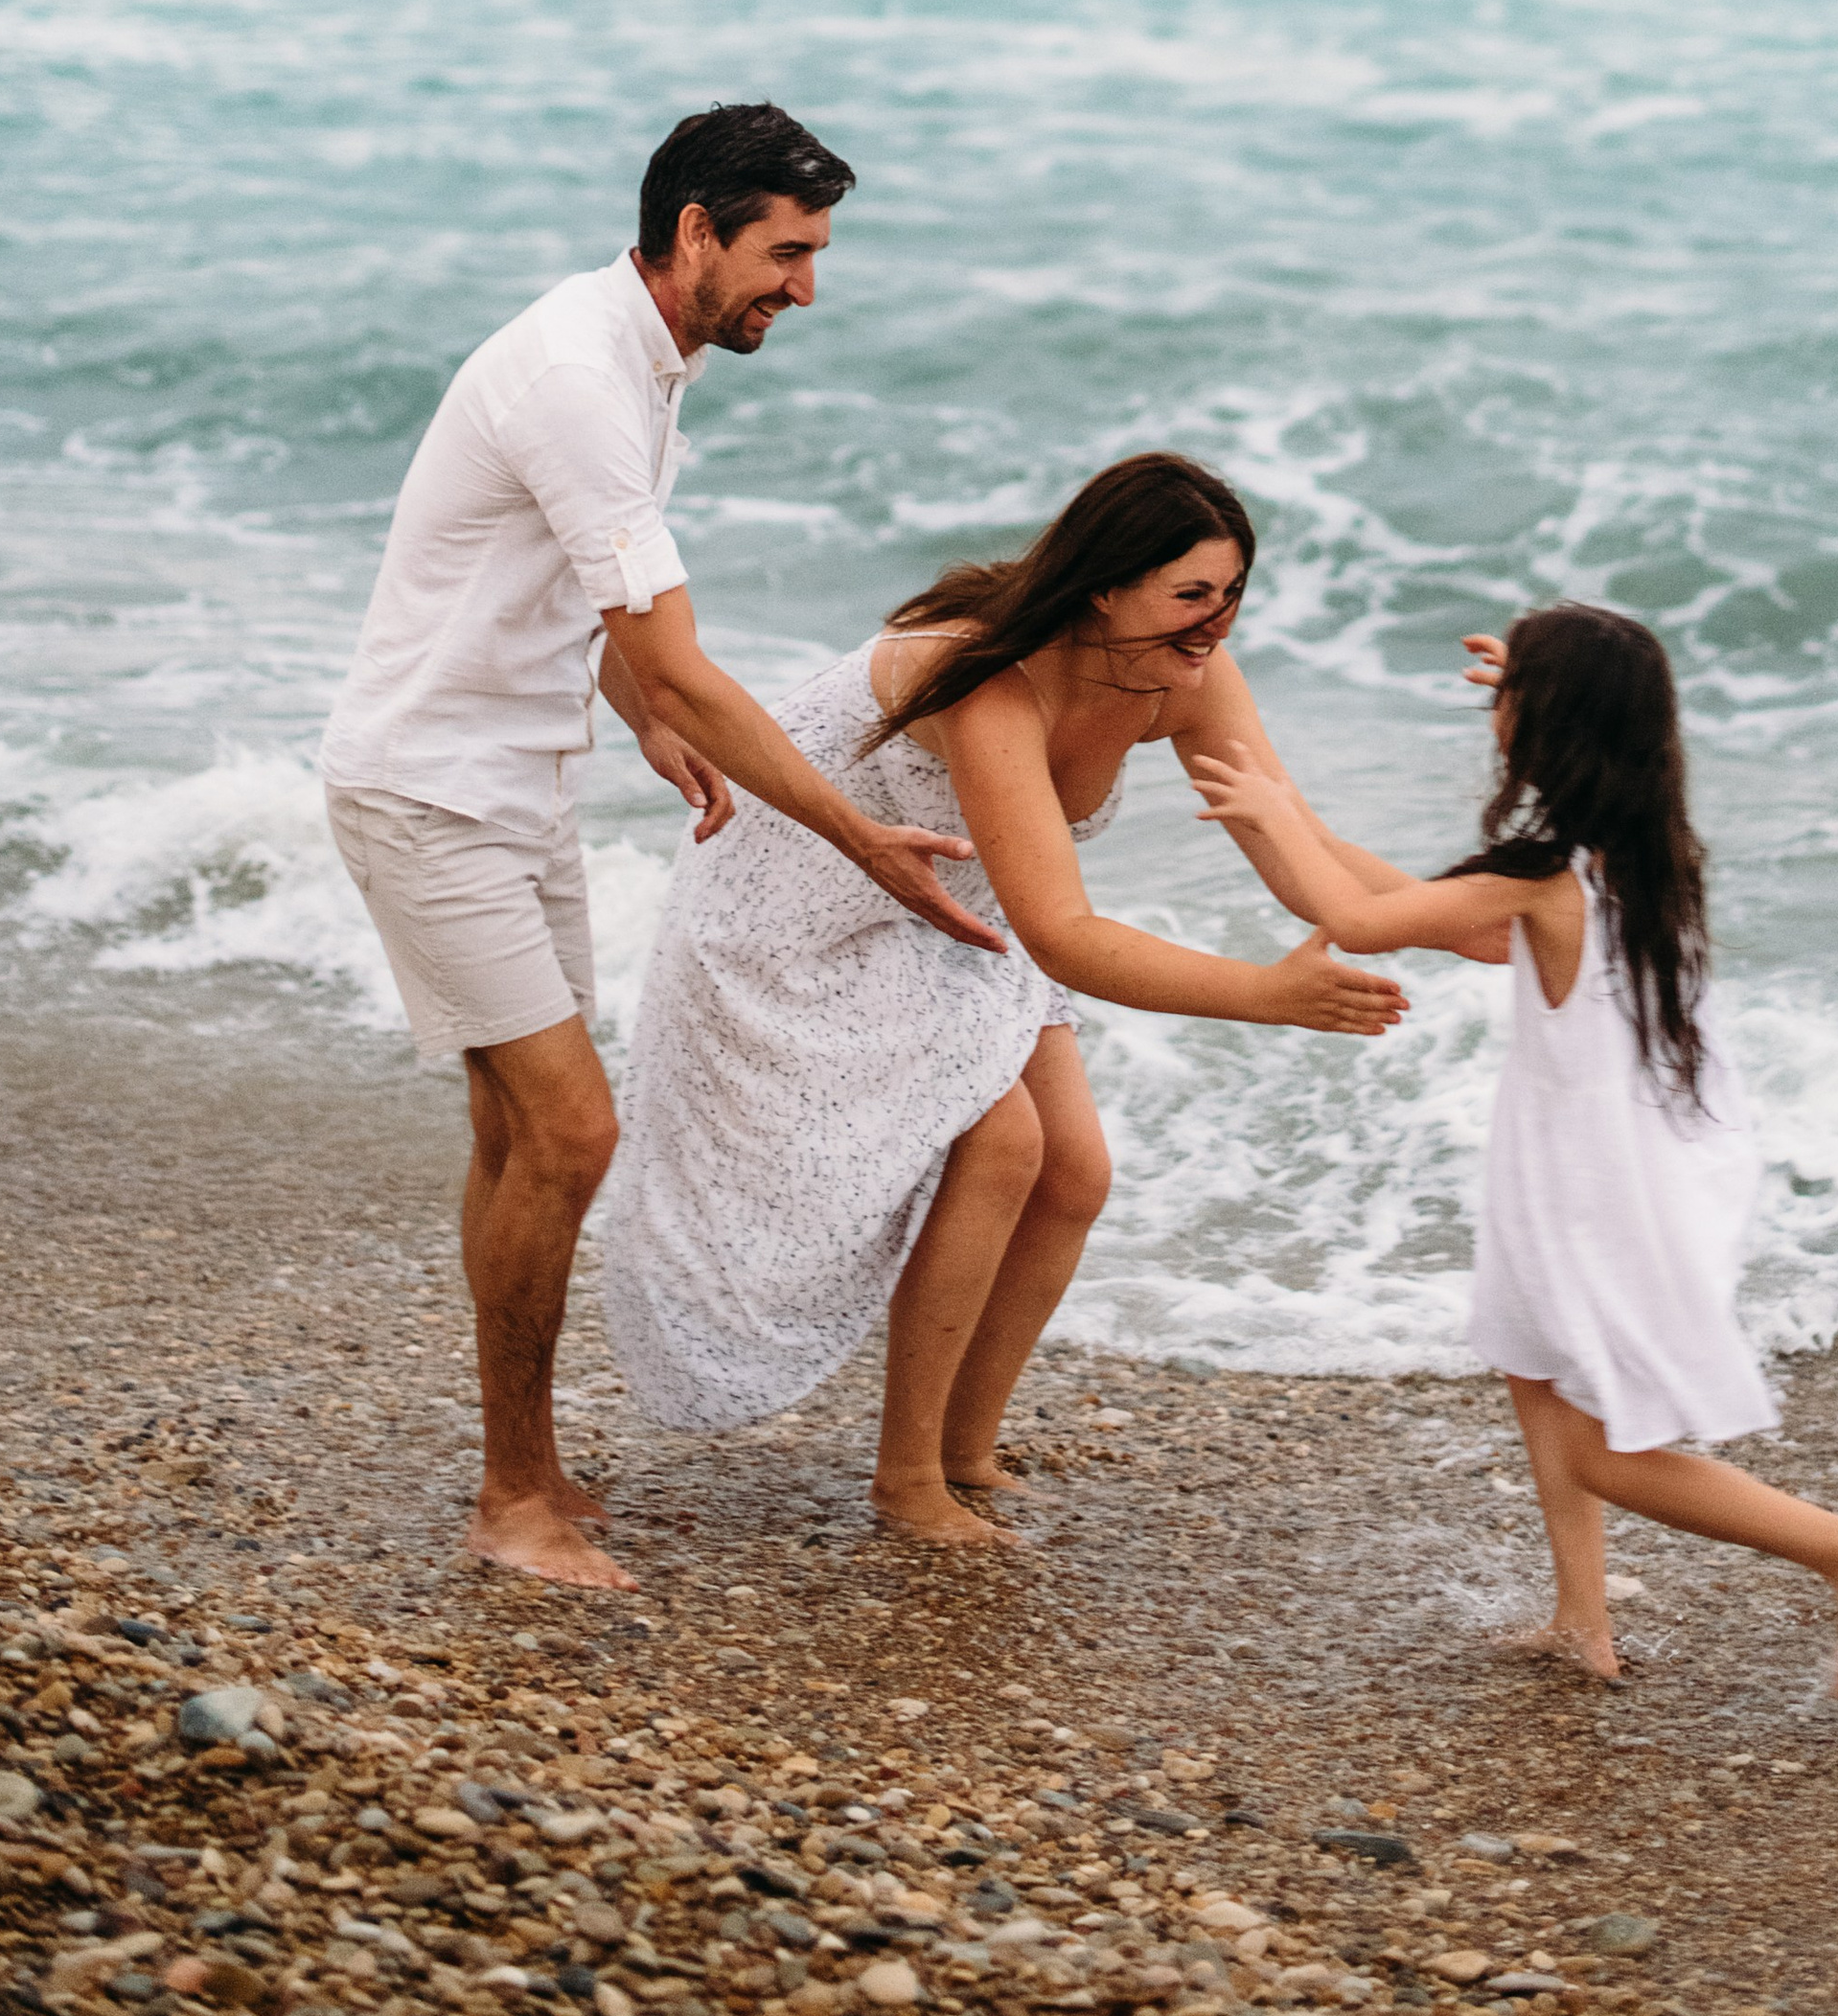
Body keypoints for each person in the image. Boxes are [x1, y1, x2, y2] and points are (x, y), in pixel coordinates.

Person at [319, 102, 1001, 1592]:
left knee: (518, 1133)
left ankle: (529, 1461)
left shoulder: (642, 357)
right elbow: (682, 655)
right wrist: (854, 837)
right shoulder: (580, 372)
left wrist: (636, 715)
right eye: (788, 253)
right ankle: (511, 1501)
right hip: (432, 792)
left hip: (509, 785)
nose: (805, 289)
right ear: (697, 230)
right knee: (570, 1132)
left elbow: (611, 618)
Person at [600, 454, 1411, 1543]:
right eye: (1190, 595)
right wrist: (1267, 994)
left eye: (1230, 594)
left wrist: (1458, 914)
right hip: (803, 909)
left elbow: (1292, 836)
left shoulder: (1189, 676)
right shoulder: (986, 675)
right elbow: (1066, 934)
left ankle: (962, 1448)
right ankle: (904, 1480)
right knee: (1005, 1143)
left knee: (1075, 1173)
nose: (1215, 621)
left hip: (962, 905)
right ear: (1101, 588)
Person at [1189, 601, 1838, 1698]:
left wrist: (1264, 811)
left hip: (1601, 1188)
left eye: (1516, 698)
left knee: (1600, 1447)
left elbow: (1344, 909)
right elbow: (1423, 904)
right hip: (1589, 1159)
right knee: (1533, 1367)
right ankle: (1582, 1622)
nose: (1500, 711)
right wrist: (1522, 689)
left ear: (1551, 730)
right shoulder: (1632, 855)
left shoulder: (1542, 878)